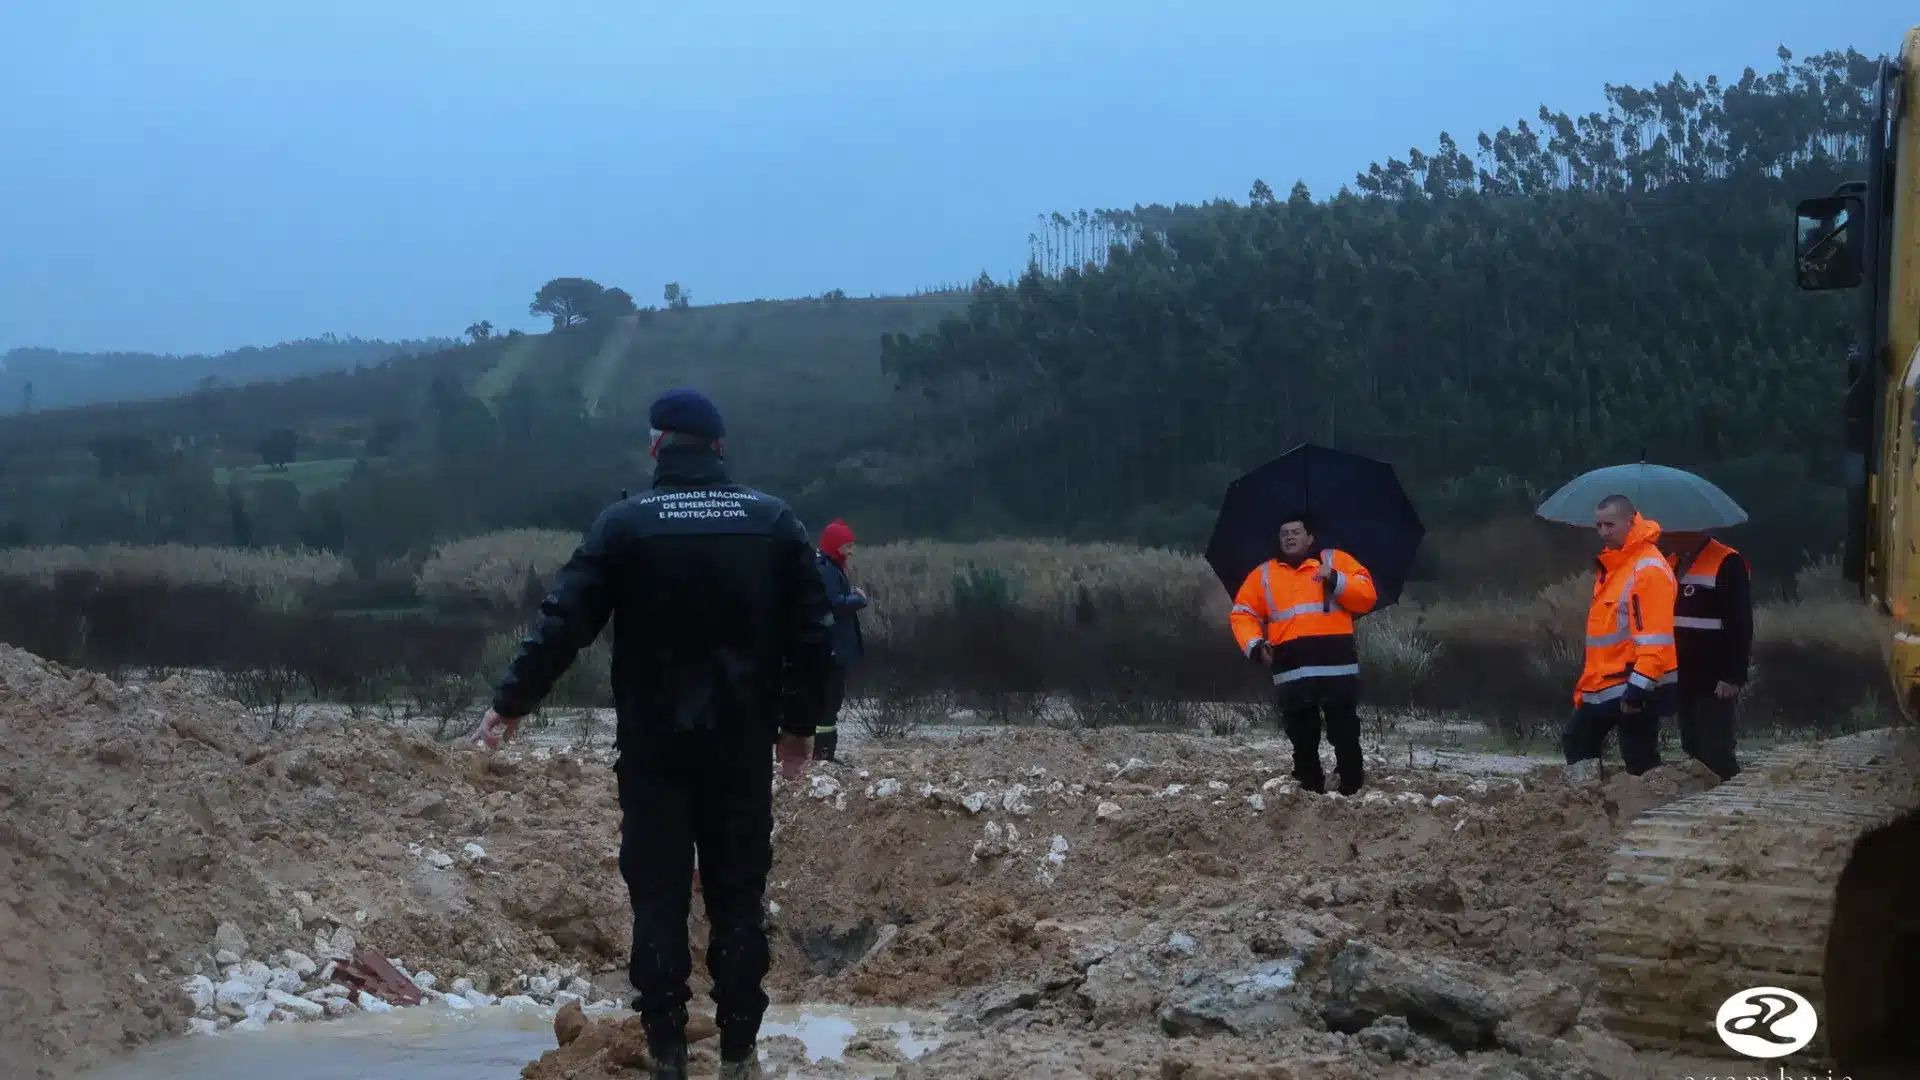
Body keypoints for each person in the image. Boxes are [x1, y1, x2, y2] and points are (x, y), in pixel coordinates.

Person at [469, 388, 833, 1080]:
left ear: (657, 446)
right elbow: (814, 637)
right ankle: (738, 1056)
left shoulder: (626, 524)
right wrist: (797, 728)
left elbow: (564, 621)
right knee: (736, 898)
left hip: (654, 745)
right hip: (740, 744)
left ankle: (668, 1053)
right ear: (719, 448)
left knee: (660, 896)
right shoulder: (773, 521)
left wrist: (512, 702)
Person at [1229, 517, 1378, 795]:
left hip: (1336, 667)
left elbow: (1367, 596)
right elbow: (1242, 614)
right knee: (1301, 735)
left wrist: (1334, 578)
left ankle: (1351, 785)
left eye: (1296, 532)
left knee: (1344, 731)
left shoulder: (1335, 560)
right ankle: (1309, 787)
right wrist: (1255, 645)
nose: (1289, 537)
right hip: (1291, 668)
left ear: (1310, 537)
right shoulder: (1264, 574)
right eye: (1284, 533)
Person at [1564, 494, 1678, 779]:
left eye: (1609, 525)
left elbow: (1655, 640)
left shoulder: (1648, 569)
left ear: (1630, 521)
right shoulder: (1615, 566)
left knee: (1638, 758)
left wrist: (1638, 691)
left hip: (1634, 685)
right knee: (1577, 741)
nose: (1603, 532)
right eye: (1599, 525)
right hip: (1604, 683)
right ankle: (1586, 806)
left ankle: (1649, 812)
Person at [1660, 529, 1751, 779]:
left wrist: (1733, 675)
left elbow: (1740, 624)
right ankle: (1704, 801)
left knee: (1716, 748)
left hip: (1713, 677)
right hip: (1682, 673)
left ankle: (1730, 799)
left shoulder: (1726, 561)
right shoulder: (1671, 561)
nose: (1667, 536)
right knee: (1692, 743)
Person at [812, 518, 867, 763]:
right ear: (835, 547)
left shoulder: (830, 568)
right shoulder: (827, 570)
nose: (850, 551)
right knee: (828, 702)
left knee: (830, 701)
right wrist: (858, 599)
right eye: (846, 546)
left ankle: (823, 753)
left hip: (831, 648)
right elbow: (834, 605)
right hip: (830, 649)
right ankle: (822, 755)